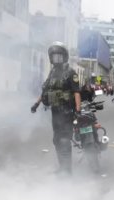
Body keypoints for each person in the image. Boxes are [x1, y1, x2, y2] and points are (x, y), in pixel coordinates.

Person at [31, 41, 81, 174]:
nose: (56, 58)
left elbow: (76, 92)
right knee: (57, 140)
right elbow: (45, 91)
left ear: (64, 56)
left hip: (67, 112)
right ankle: (62, 167)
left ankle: (67, 171)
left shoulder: (70, 73)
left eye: (59, 56)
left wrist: (78, 110)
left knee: (64, 141)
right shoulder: (52, 72)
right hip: (55, 113)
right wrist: (36, 104)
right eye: (54, 56)